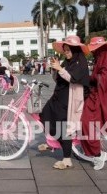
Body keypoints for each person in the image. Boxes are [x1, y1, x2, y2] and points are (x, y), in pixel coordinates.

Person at [37, 35, 90, 170]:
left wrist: (60, 69)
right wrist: (56, 68)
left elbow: (72, 78)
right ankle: (54, 142)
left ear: (75, 49)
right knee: (44, 116)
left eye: (68, 50)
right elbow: (58, 79)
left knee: (63, 127)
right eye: (65, 50)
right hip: (57, 97)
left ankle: (67, 159)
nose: (66, 52)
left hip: (69, 101)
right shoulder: (68, 62)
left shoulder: (80, 63)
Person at [80, 36, 107, 171]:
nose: (93, 51)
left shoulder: (106, 59)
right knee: (86, 122)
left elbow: (104, 78)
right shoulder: (103, 56)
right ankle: (91, 149)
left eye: (95, 49)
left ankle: (97, 153)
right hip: (95, 93)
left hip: (98, 96)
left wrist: (91, 78)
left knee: (87, 122)